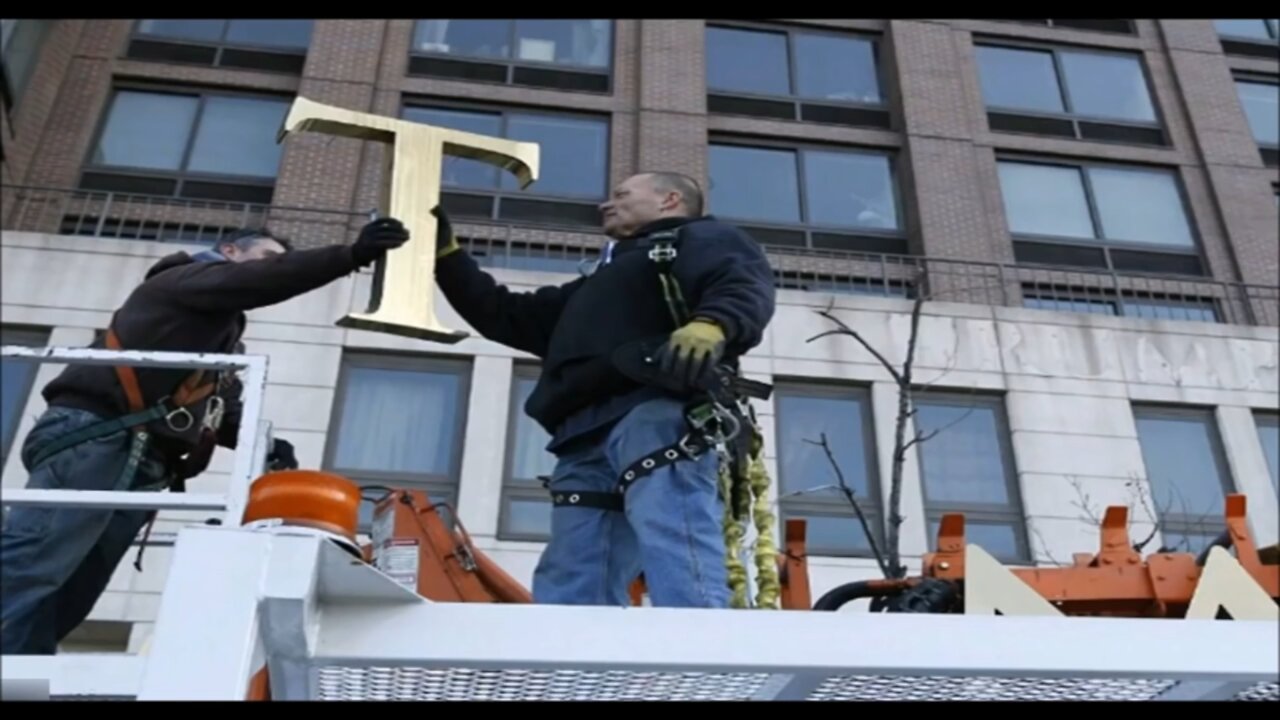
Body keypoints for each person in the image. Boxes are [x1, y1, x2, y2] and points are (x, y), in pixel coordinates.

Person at [0, 217, 411, 654]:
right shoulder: (182, 280)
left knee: (71, 593)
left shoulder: (222, 336)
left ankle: (17, 678)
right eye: (269, 258)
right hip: (97, 437)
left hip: (138, 456)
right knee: (33, 567)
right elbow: (259, 282)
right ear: (230, 251)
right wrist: (350, 255)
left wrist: (267, 444)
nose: (274, 268)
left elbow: (222, 410)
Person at [431, 171, 776, 608]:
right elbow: (506, 314)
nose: (605, 205)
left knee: (673, 530)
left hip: (655, 412)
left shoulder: (698, 240)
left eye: (621, 195)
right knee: (575, 565)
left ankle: (702, 654)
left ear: (670, 200)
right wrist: (447, 255)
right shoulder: (599, 283)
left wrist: (715, 322)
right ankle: (573, 666)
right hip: (581, 435)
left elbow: (742, 281)